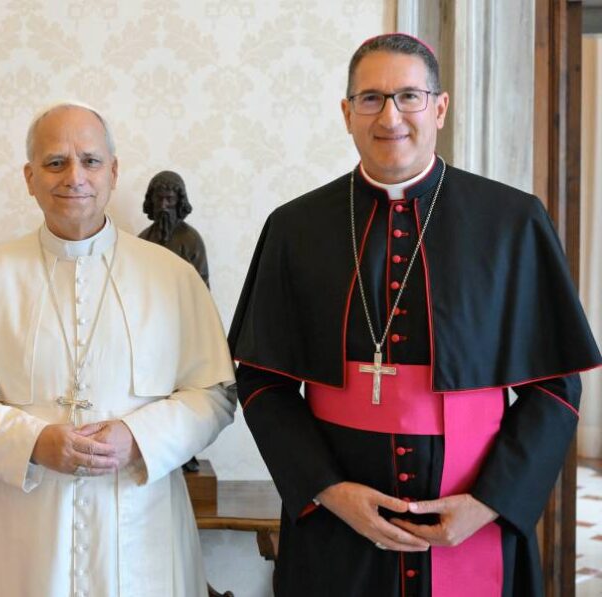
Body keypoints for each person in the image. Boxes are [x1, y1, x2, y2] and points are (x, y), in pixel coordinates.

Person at [229, 34, 601, 597]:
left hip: (475, 516)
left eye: (409, 96)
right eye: (371, 98)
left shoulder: (511, 222)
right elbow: (262, 381)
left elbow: (554, 386)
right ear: (346, 113)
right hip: (340, 522)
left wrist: (490, 503)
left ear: (440, 108)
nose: (391, 116)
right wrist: (329, 491)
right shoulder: (295, 228)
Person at [0, 102, 235, 597]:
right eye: (55, 163)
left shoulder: (173, 277)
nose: (74, 176)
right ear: (29, 177)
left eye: (90, 161)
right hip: (20, 529)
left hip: (140, 520)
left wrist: (137, 436)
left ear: (114, 171)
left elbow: (214, 393)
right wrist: (34, 442)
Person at [138, 170, 210, 287]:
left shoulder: (191, 240)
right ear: (151, 200)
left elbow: (202, 287)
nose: (163, 206)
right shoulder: (143, 239)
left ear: (179, 202)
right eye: (159, 198)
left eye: (169, 199)